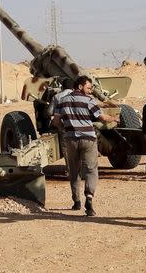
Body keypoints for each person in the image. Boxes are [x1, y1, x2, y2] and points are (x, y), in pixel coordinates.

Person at [53, 75, 119, 216]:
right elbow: (101, 117)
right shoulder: (89, 100)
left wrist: (65, 129)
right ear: (80, 86)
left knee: (74, 170)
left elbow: (56, 122)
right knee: (91, 170)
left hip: (70, 140)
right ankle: (89, 198)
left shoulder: (62, 101)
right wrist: (114, 118)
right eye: (89, 88)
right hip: (88, 139)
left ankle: (76, 201)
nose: (90, 91)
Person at [47, 78, 74, 172]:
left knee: (66, 148)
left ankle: (71, 171)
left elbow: (50, 112)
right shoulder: (79, 96)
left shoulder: (57, 97)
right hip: (79, 126)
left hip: (64, 126)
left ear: (62, 86)